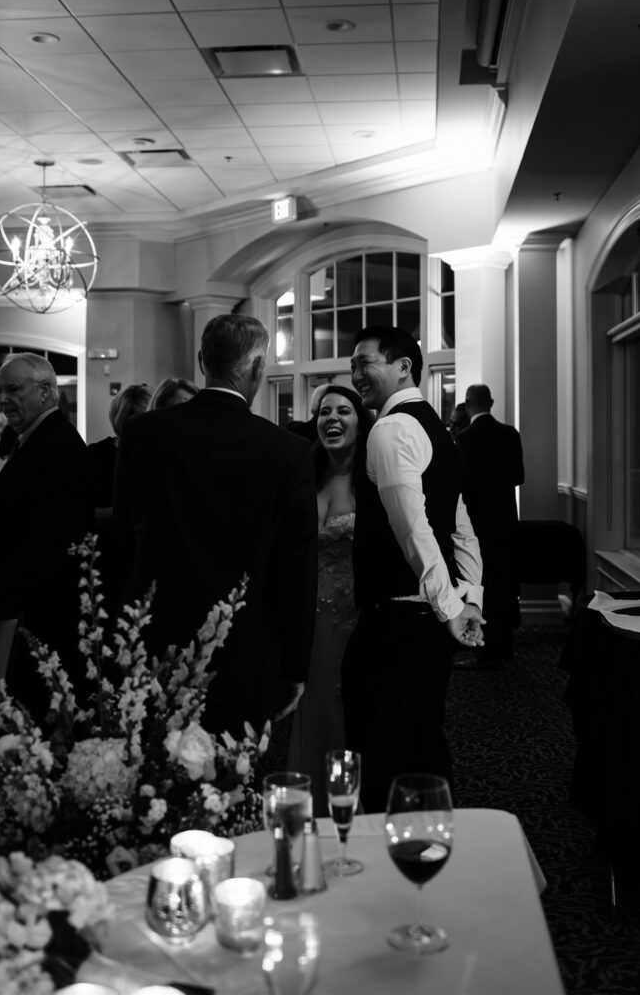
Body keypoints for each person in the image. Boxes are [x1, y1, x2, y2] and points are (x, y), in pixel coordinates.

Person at [114, 314, 318, 738]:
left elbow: (124, 540)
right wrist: (294, 666)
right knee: (229, 779)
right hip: (244, 650)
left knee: (152, 777)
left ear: (202, 359)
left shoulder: (143, 434)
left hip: (154, 641)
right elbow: (294, 570)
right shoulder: (288, 452)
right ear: (259, 369)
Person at [342, 326, 484, 811]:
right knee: (423, 743)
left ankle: (393, 865)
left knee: (385, 754)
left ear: (403, 366)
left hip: (398, 625)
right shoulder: (436, 428)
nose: (357, 373)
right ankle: (433, 853)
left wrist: (454, 606)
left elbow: (416, 531)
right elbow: (461, 526)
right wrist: (471, 598)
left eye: (367, 362)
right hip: (426, 623)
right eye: (354, 365)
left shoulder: (391, 429)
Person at [0, 353, 93, 725]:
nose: (2, 400)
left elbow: (54, 539)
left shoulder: (59, 447)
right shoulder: (34, 440)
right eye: (0, 390)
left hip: (34, 619)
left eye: (13, 389)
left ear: (48, 391)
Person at [287, 385, 372, 815]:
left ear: (360, 421)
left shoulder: (372, 483)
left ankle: (347, 810)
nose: (332, 419)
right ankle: (312, 810)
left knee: (343, 712)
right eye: (323, 412)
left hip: (353, 620)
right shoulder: (305, 476)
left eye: (343, 411)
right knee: (311, 708)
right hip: (307, 619)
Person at [455, 383, 525, 667]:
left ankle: (484, 650)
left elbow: (463, 484)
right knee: (505, 582)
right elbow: (519, 477)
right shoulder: (510, 434)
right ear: (492, 402)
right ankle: (505, 646)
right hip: (506, 521)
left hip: (479, 524)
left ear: (468, 403)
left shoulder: (465, 438)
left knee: (484, 584)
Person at [87, 383, 153, 612]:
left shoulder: (158, 458)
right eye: (130, 419)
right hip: (108, 558)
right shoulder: (97, 456)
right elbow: (81, 513)